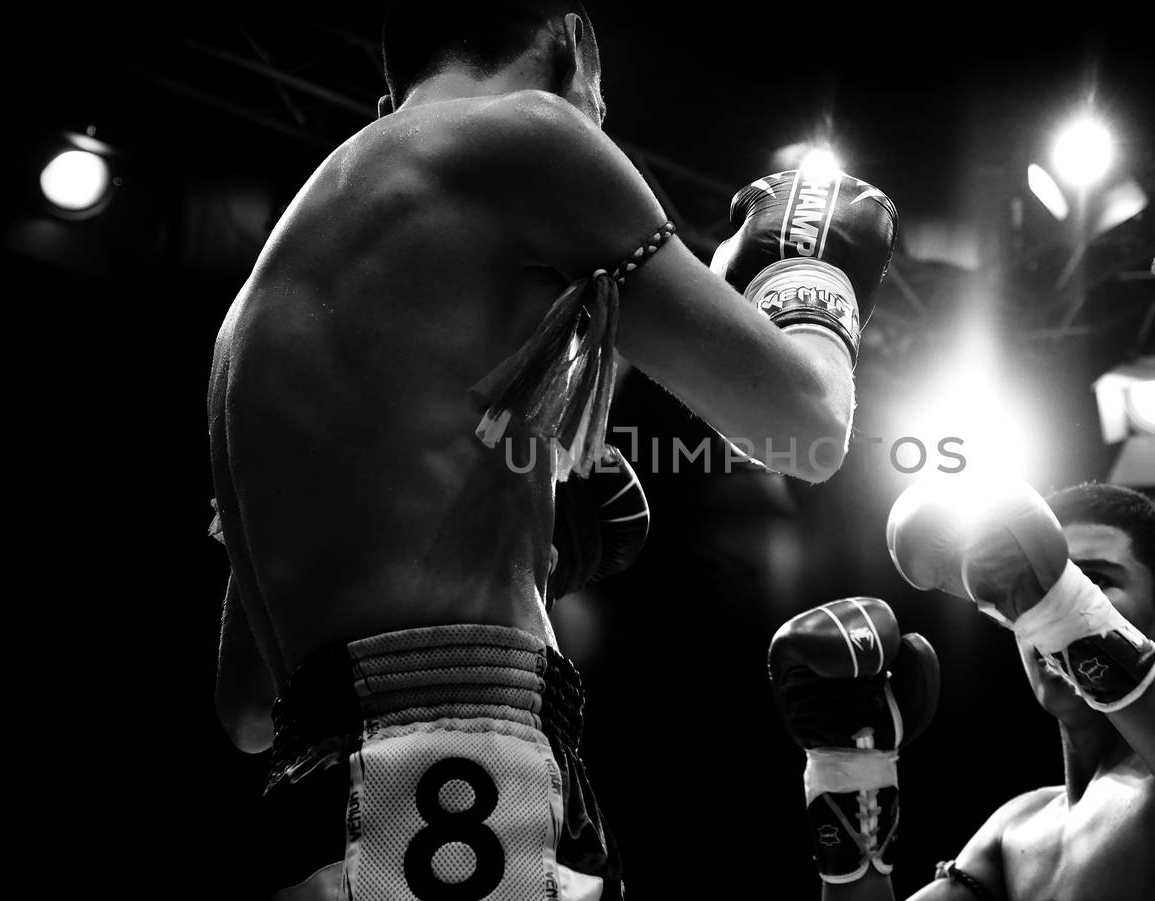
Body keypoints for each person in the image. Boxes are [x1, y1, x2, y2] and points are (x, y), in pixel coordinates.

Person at [206, 3, 898, 899]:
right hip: (452, 795)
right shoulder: (528, 134)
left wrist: (507, 546)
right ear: (575, 47)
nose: (599, 127)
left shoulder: (263, 306)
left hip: (317, 817)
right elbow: (804, 427)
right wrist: (812, 277)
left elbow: (250, 710)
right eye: (601, 105)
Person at [771, 478, 1155, 899]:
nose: (1028, 604)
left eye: (1094, 579)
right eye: (1012, 592)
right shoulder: (1015, 829)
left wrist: (1069, 614)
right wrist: (847, 773)